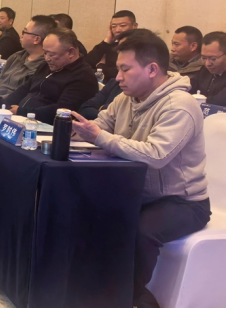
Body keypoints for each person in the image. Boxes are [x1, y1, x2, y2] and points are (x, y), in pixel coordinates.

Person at [71, 31, 209, 308]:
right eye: (118, 69)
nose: (118, 77)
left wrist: (99, 136)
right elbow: (101, 126)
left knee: (139, 231)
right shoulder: (126, 98)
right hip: (138, 191)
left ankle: (130, 299)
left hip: (182, 201)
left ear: (152, 69)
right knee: (84, 209)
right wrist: (75, 131)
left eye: (125, 69)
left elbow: (156, 155)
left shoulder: (180, 106)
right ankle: (91, 287)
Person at [0, 28, 98, 123]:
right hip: (23, 119)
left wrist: (21, 112)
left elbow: (62, 110)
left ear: (71, 52)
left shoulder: (83, 76)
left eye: (52, 54)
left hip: (46, 126)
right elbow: (25, 88)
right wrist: (4, 104)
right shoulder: (46, 66)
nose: (47, 58)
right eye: (45, 53)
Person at [0, 15, 56, 99]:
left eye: (24, 32)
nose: (21, 35)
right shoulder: (16, 56)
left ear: (36, 39)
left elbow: (23, 95)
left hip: (8, 104)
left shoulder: (43, 67)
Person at [78, 29, 142, 120]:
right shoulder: (114, 83)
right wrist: (108, 114)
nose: (118, 77)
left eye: (125, 69)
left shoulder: (145, 96)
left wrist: (103, 108)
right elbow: (84, 110)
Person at [86, 10, 139, 81]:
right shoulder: (110, 45)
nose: (117, 30)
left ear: (134, 26)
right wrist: (107, 41)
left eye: (123, 26)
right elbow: (87, 64)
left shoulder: (140, 45)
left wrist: (100, 67)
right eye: (113, 26)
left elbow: (121, 71)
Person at [192, 31, 226, 106]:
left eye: (213, 59)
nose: (207, 64)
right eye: (204, 58)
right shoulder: (204, 71)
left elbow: (220, 101)